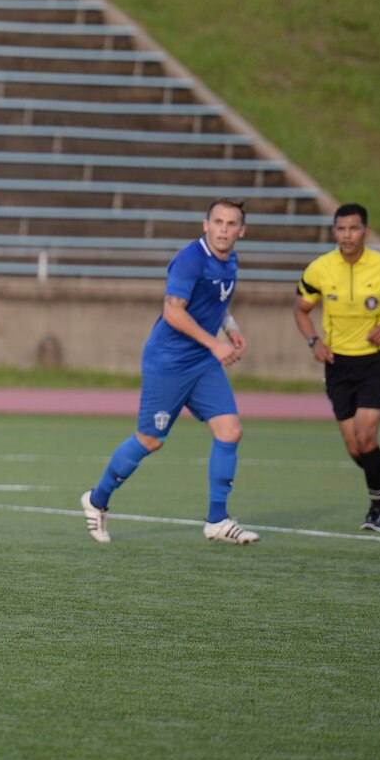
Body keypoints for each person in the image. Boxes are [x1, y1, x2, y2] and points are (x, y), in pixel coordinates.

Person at [81, 199, 258, 545]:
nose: (224, 229)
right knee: (150, 440)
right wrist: (215, 344)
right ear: (205, 225)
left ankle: (217, 521)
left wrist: (231, 328)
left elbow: (217, 303)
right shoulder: (190, 260)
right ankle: (96, 500)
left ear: (242, 230)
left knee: (230, 431)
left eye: (231, 223)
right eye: (218, 222)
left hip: (202, 364)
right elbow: (173, 312)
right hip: (169, 363)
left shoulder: (230, 261)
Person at [292, 203, 380, 532]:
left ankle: (378, 505)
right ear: (334, 231)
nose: (347, 235)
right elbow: (302, 308)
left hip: (377, 363)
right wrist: (313, 342)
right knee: (354, 447)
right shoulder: (320, 268)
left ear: (366, 231)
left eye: (354, 228)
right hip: (338, 365)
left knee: (365, 436)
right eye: (341, 229)